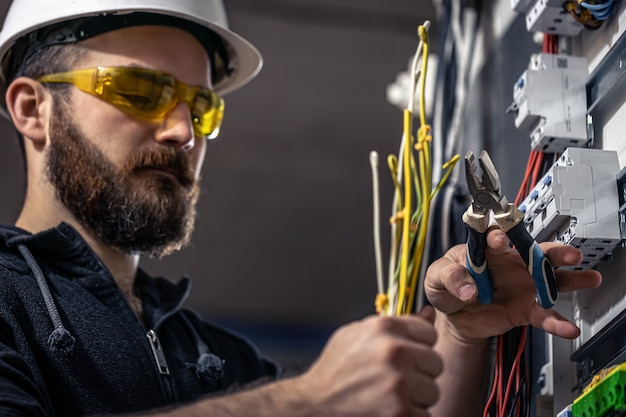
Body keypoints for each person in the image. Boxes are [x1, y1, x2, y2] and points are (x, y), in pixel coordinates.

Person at [0, 0, 602, 416]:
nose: (184, 131)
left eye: (201, 107)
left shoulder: (217, 360)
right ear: (32, 109)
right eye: (140, 91)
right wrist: (305, 402)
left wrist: (462, 333)